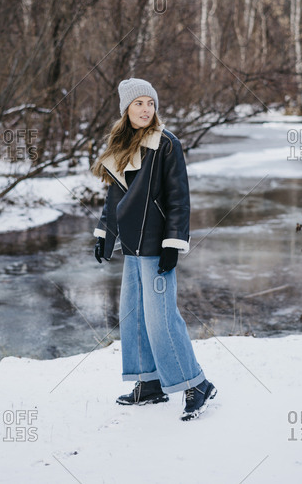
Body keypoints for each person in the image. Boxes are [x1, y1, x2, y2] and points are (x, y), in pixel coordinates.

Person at [92, 78, 216, 421]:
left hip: (156, 246)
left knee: (160, 318)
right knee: (133, 315)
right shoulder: (124, 145)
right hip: (132, 247)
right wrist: (105, 232)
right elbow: (116, 197)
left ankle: (196, 384)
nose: (146, 109)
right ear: (126, 110)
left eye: (150, 103)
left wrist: (174, 243)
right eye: (139, 104)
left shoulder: (167, 144)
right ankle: (148, 383)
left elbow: (179, 199)